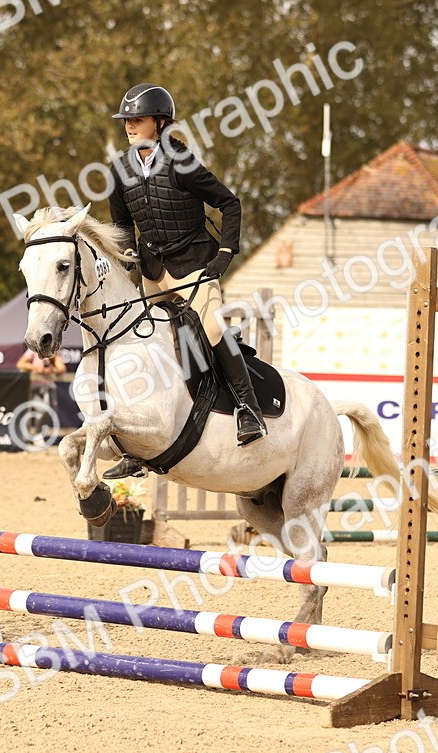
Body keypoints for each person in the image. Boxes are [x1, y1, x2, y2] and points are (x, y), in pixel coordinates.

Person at [103, 83, 265, 480]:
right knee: (142, 345)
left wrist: (225, 253)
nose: (130, 126)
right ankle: (137, 443)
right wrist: (128, 256)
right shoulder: (119, 169)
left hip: (195, 263)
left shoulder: (181, 161)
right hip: (153, 271)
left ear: (160, 123)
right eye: (127, 121)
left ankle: (249, 409)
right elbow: (122, 223)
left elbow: (229, 202)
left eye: (138, 120)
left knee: (212, 328)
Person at [17, 349, 66, 437]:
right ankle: (28, 436)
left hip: (48, 386)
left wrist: (52, 370)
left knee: (49, 411)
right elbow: (20, 364)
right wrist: (35, 368)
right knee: (33, 411)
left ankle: (36, 433)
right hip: (34, 387)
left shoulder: (52, 350)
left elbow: (61, 368)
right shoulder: (33, 350)